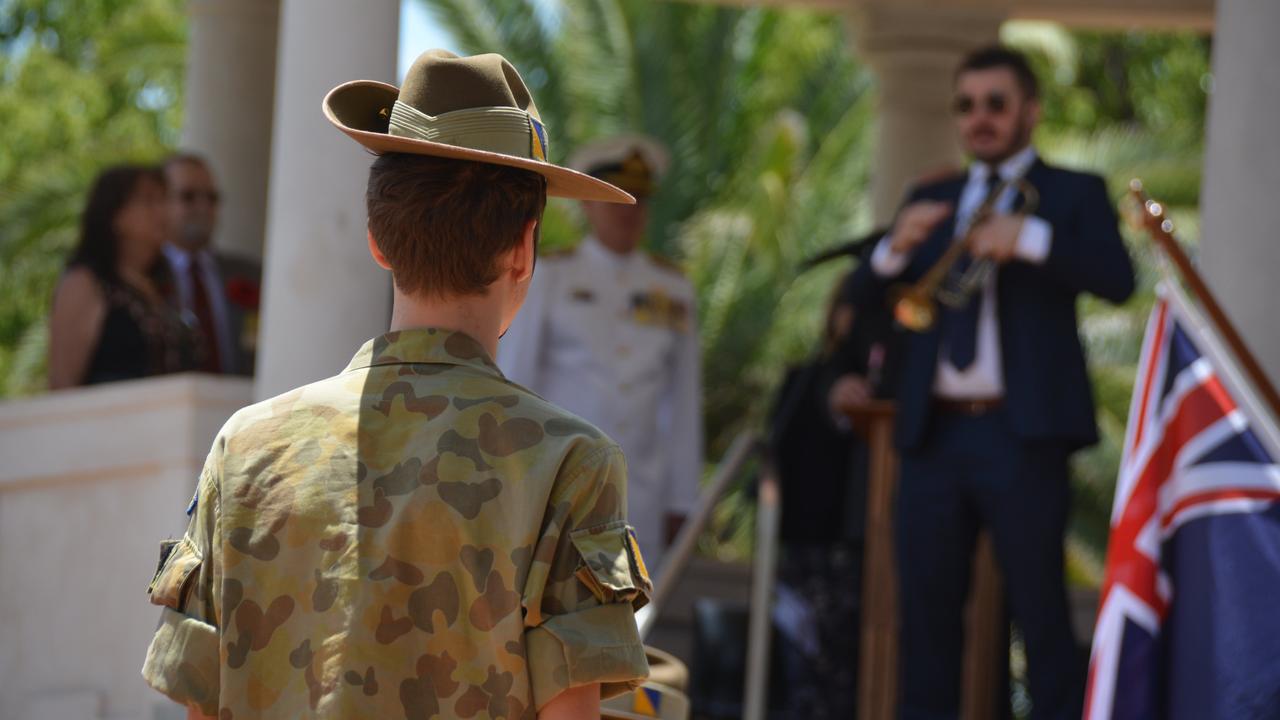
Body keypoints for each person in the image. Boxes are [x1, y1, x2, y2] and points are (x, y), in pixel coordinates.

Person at [141, 49, 652, 719]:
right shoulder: (568, 463)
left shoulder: (244, 448)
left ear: (378, 238)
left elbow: (200, 704)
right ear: (524, 248)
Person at [849, 46, 1135, 719]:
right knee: (925, 621)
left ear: (1030, 111)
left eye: (996, 104)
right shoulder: (933, 195)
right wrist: (893, 248)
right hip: (932, 436)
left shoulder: (1070, 192)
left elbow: (1119, 281)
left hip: (1022, 435)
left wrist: (1031, 239)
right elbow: (861, 297)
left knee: (1040, 616)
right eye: (967, 105)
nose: (980, 118)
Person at [497, 135, 702, 568]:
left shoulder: (674, 288)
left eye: (640, 201)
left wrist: (683, 499)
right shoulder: (550, 276)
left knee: (634, 626)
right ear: (588, 204)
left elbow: (683, 401)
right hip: (558, 485)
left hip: (642, 497)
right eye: (617, 200)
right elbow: (517, 380)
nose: (631, 212)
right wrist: (513, 481)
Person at [48, 165, 197, 389]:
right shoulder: (85, 283)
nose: (163, 211)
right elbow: (62, 384)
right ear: (115, 215)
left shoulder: (164, 284)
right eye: (149, 201)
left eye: (164, 199)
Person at [162, 153, 261, 376]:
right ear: (162, 202)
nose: (203, 206)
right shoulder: (144, 275)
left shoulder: (250, 274)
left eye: (212, 198)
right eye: (188, 197)